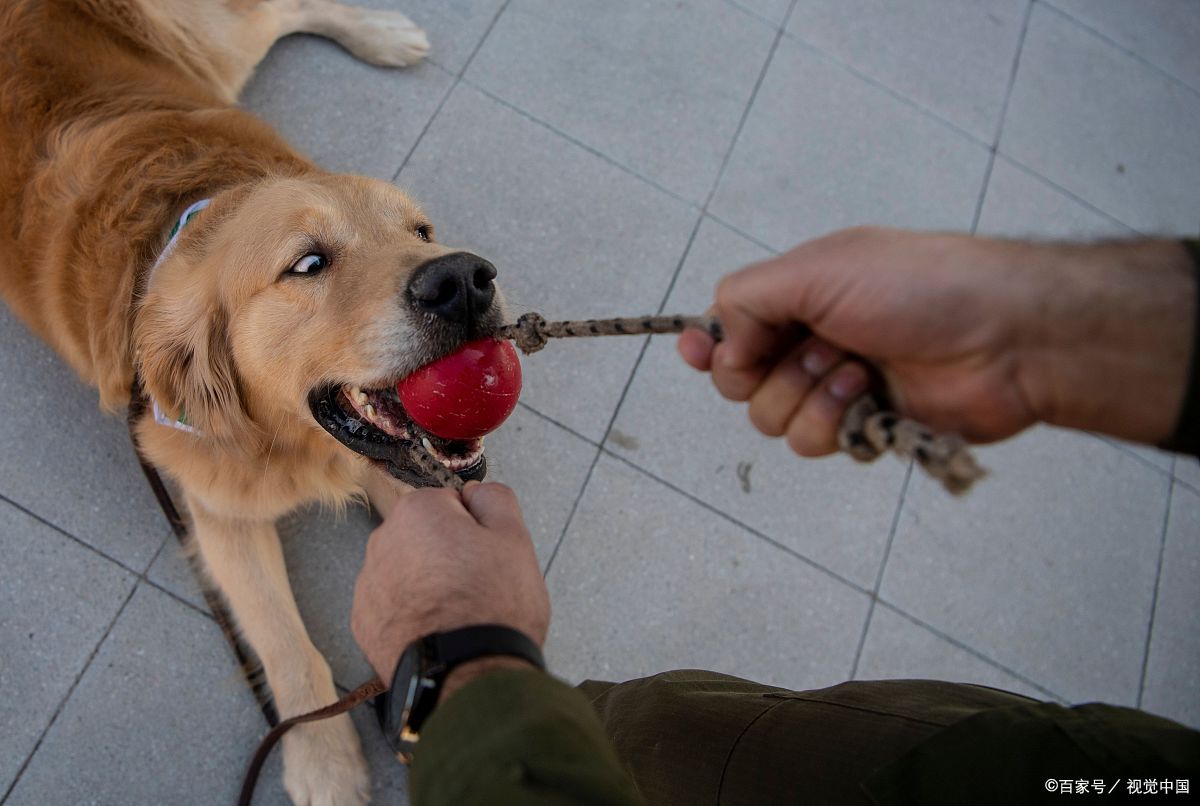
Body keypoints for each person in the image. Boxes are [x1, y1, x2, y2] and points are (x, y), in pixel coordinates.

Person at [352, 228, 1200, 805]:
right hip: (1078, 767)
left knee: (666, 744)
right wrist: (1044, 321)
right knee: (667, 728)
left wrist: (462, 668)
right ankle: (560, 729)